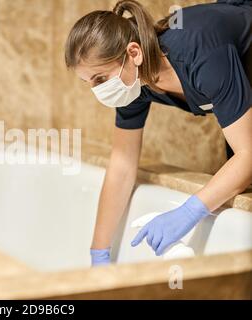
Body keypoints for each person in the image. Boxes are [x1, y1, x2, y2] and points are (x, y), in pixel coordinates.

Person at [64, 0, 252, 266]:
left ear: (134, 53)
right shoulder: (134, 84)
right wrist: (99, 253)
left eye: (100, 79)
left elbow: (248, 157)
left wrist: (188, 213)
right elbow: (122, 165)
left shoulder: (200, 52)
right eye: (89, 83)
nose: (97, 91)